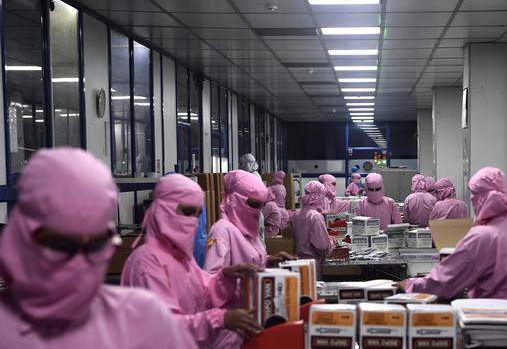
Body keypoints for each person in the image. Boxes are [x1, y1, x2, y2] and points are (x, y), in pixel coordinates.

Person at [0, 148, 196, 348]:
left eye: (96, 245)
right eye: (60, 244)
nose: (79, 263)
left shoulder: (143, 320)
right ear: (20, 236)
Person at [121, 173, 263, 348]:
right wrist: (219, 319)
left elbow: (204, 292)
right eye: (187, 212)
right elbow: (163, 328)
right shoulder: (147, 262)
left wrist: (225, 277)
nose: (193, 222)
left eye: (197, 215)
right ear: (164, 209)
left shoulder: (182, 260)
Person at [395, 167, 507, 300]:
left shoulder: (482, 236)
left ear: (480, 198)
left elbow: (445, 280)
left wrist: (410, 285)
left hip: (497, 317)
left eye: (474, 195)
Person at [204, 171, 294, 334]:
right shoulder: (222, 231)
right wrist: (228, 274)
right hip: (233, 326)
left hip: (255, 319)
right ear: (234, 200)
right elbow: (210, 280)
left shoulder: (246, 229)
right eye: (253, 204)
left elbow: (247, 261)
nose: (258, 211)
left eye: (261, 205)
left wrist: (268, 260)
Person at [291, 181, 335, 278]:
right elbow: (323, 247)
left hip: (299, 262)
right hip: (312, 266)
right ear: (319, 196)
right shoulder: (316, 217)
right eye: (323, 196)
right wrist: (332, 242)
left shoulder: (297, 214)